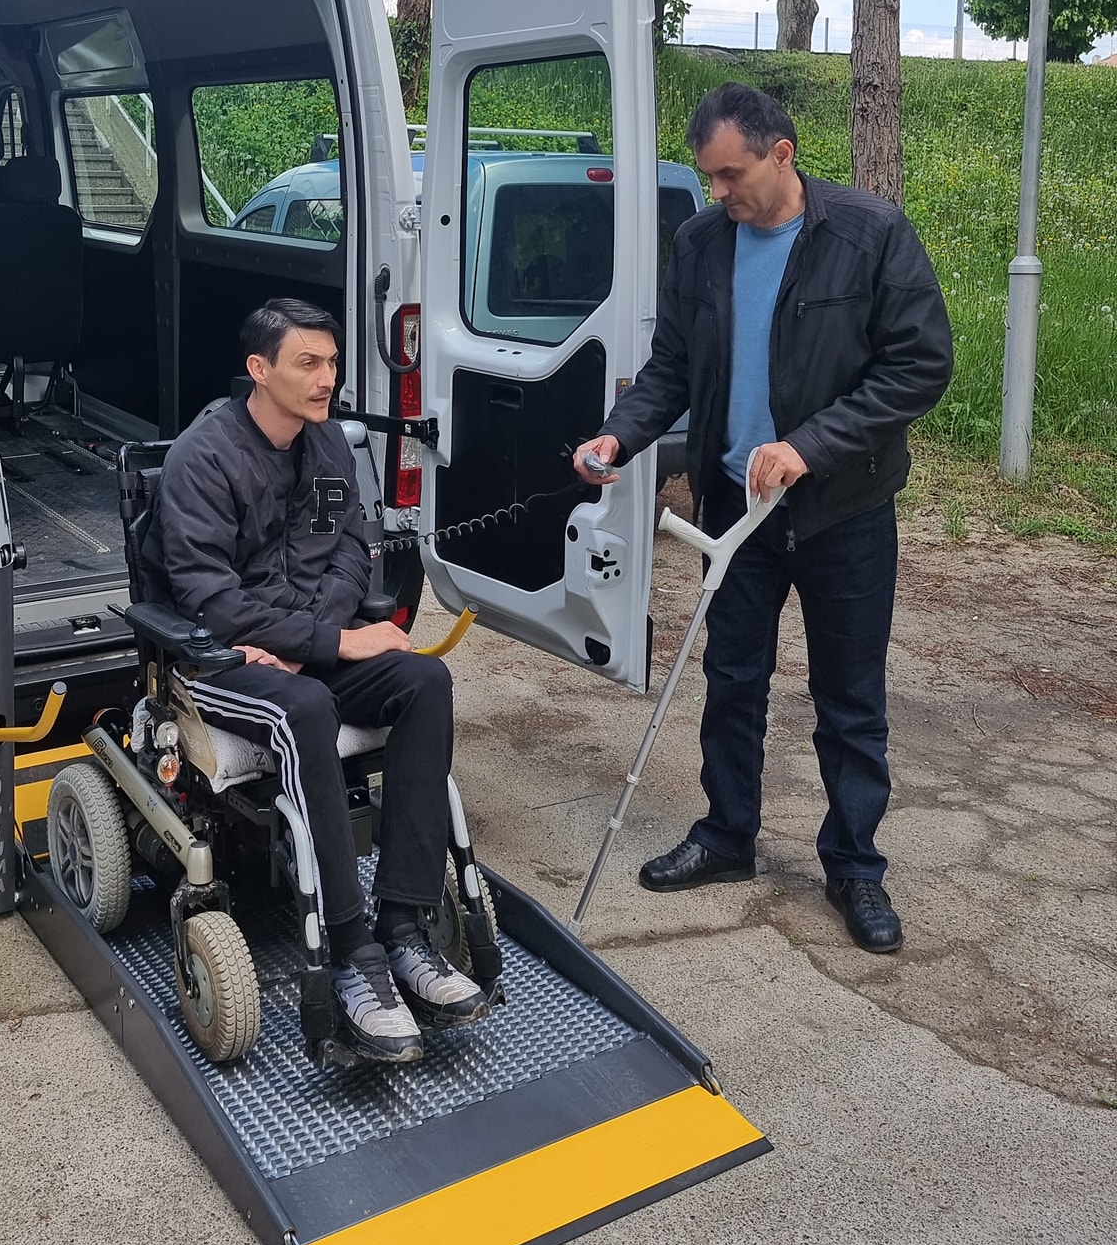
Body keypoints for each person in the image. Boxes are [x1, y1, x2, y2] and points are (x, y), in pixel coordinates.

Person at [573, 84, 953, 953]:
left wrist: (810, 445)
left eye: (730, 175)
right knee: (733, 676)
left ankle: (854, 867)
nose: (718, 194)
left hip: (842, 509)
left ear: (781, 154)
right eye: (709, 177)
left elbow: (920, 366)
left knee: (849, 696)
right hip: (734, 508)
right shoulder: (702, 241)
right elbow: (672, 367)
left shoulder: (868, 234)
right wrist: (620, 435)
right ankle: (726, 835)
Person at [140, 297, 489, 1063]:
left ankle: (404, 926)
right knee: (304, 707)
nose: (327, 378)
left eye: (331, 362)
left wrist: (319, 638)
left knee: (425, 682)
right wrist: (319, 643)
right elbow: (207, 597)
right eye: (309, 363)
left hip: (300, 647)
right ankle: (352, 950)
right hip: (217, 659)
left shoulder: (327, 441)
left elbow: (351, 549)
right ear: (260, 370)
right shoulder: (204, 458)